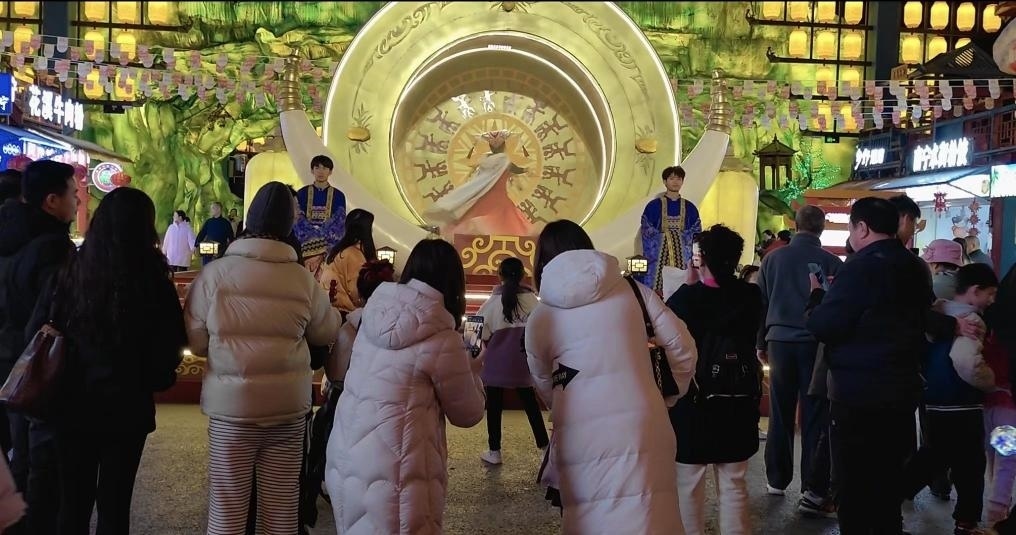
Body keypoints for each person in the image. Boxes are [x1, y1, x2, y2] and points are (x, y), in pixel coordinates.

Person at [184, 181, 340, 535]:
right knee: (281, 512)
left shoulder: (214, 275)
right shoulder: (302, 279)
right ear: (289, 224)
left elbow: (198, 342)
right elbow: (326, 331)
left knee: (227, 510)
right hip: (287, 410)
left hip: (232, 411)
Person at [29, 187, 186, 534]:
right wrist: (152, 378)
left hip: (70, 404)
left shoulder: (70, 272)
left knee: (73, 503)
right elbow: (171, 345)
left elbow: (38, 330)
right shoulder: (152, 280)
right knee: (116, 503)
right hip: (127, 407)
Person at [524, 220, 697, 533]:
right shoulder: (634, 291)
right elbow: (683, 350)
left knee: (590, 520)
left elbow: (546, 386)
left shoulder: (541, 317)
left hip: (579, 436)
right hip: (643, 425)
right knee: (650, 516)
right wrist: (664, 399)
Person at [325, 239, 486, 534]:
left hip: (347, 459)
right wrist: (474, 369)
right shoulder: (442, 338)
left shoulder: (373, 315)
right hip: (397, 473)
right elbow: (468, 414)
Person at [806, 197, 935, 534]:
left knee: (854, 485)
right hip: (902, 389)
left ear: (861, 228)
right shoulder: (915, 267)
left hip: (858, 393)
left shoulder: (860, 267)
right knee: (888, 481)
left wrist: (817, 297)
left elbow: (825, 325)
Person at [666, 224, 762, 535]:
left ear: (702, 258)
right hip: (738, 398)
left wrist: (689, 285)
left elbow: (667, 334)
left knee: (688, 483)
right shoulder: (751, 296)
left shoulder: (687, 299)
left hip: (695, 401)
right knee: (734, 483)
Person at [0, 160, 77, 534]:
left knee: (17, 454)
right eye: (73, 193)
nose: (78, 201)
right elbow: (54, 315)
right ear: (51, 200)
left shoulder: (12, 237)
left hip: (9, 358)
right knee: (39, 461)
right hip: (36, 366)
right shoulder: (52, 248)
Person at [902, 263, 998, 535]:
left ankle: (892, 494)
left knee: (933, 455)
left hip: (935, 400)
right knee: (970, 465)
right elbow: (966, 362)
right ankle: (966, 520)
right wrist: (990, 382)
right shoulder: (972, 320)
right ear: (975, 291)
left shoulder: (938, 315)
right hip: (963, 403)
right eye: (990, 294)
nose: (992, 301)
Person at [756, 205, 842, 506]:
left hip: (779, 341)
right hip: (815, 345)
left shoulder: (772, 259)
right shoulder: (832, 262)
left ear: (795, 224)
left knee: (780, 410)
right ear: (822, 227)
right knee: (815, 412)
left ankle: (776, 479)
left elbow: (761, 304)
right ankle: (812, 485)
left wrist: (760, 342)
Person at [303, 259, 395, 530]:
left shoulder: (350, 327)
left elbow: (334, 373)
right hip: (383, 411)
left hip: (342, 407)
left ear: (359, 293)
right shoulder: (396, 328)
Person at [477, 257, 549, 466]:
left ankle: (494, 451)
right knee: (531, 406)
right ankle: (545, 448)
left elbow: (477, 333)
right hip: (524, 365)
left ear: (499, 275)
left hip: (496, 366)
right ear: (523, 276)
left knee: (494, 407)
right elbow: (543, 329)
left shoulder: (491, 302)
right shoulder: (533, 301)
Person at [423, 130, 535, 237]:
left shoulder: (485, 161)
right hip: (500, 202)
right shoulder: (504, 160)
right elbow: (516, 169)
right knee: (511, 226)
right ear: (503, 146)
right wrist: (527, 169)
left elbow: (478, 178)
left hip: (483, 199)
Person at [639, 165, 703, 294]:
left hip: (683, 259)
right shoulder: (653, 206)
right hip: (659, 258)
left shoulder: (690, 208)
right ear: (665, 181)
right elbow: (646, 230)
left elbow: (697, 234)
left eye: (679, 179)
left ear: (682, 181)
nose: (675, 182)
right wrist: (666, 238)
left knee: (682, 290)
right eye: (672, 178)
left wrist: (679, 239)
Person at [319, 209, 377, 317]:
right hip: (344, 313)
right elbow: (356, 291)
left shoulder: (339, 251)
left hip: (331, 309)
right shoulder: (353, 254)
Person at [294, 154, 346, 255]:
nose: (320, 171)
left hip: (328, 246)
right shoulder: (302, 193)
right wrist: (310, 236)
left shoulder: (338, 195)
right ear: (312, 170)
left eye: (325, 168)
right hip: (304, 245)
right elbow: (297, 218)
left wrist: (321, 237)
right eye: (317, 168)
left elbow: (339, 221)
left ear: (330, 171)